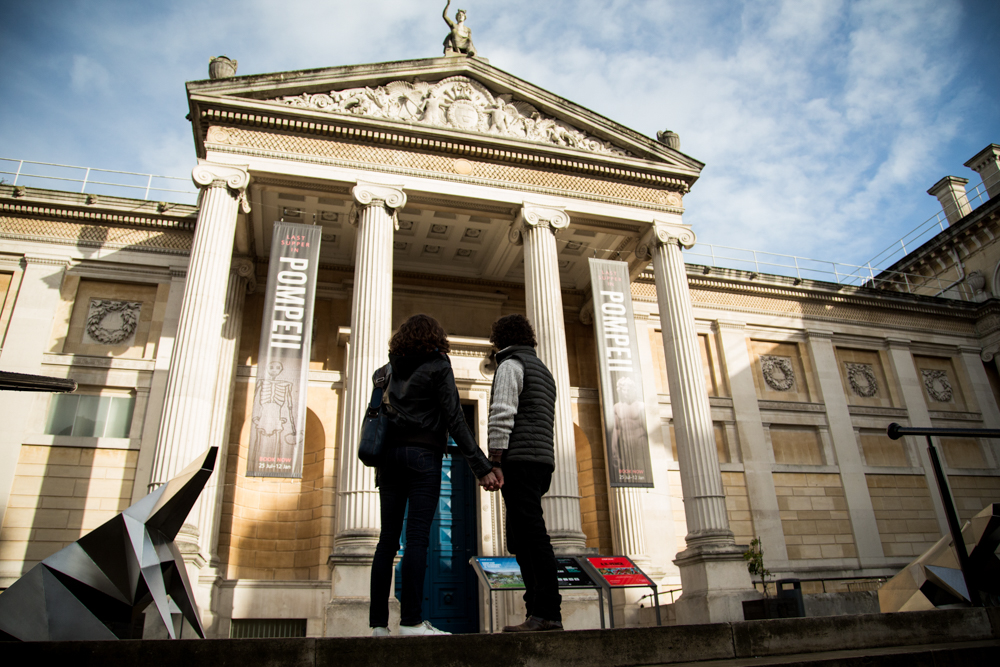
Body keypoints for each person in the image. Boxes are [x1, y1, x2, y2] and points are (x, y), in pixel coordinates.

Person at [369, 314, 501, 637]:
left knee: (387, 541)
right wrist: (482, 468)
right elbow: (456, 420)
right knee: (416, 538)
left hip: (389, 461)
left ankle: (377, 625)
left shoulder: (384, 372)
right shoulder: (438, 366)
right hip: (422, 459)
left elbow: (374, 416)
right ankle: (411, 621)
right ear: (436, 338)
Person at [487, 314, 563, 632]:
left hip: (519, 460)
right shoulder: (543, 371)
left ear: (500, 339)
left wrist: (494, 459)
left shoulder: (511, 364)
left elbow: (502, 412)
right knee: (520, 538)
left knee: (531, 535)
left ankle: (546, 613)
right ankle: (537, 611)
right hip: (541, 462)